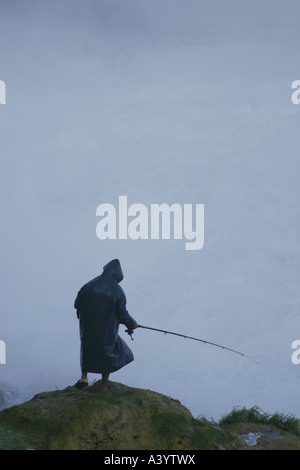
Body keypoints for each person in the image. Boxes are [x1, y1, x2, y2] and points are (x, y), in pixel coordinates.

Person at [74, 259, 139, 392]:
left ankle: (84, 378)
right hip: (107, 330)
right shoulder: (118, 290)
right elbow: (122, 314)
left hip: (87, 326)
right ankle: (103, 386)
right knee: (108, 353)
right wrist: (132, 324)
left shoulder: (89, 285)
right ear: (118, 275)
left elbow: (77, 303)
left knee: (87, 348)